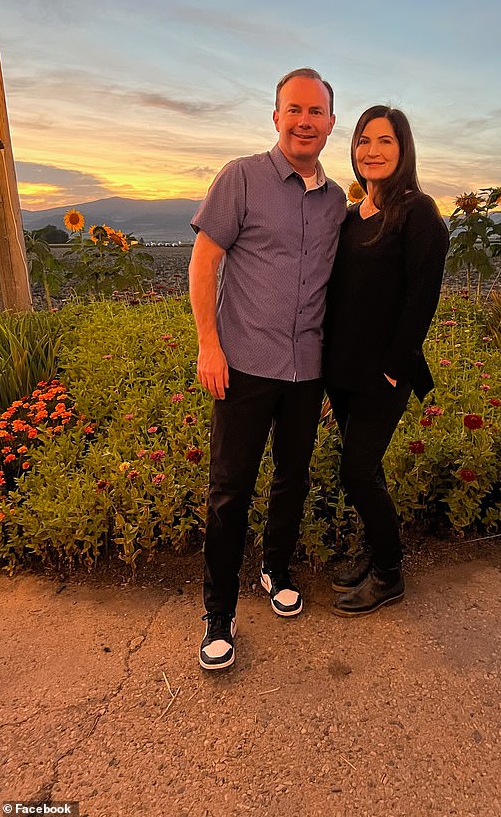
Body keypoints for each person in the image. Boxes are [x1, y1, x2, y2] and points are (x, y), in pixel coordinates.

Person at [189, 68, 346, 670]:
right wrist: (209, 344)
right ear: (276, 116)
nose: (305, 121)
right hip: (245, 364)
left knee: (292, 476)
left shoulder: (337, 203)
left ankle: (275, 569)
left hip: (306, 368)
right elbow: (205, 260)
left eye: (316, 112)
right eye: (294, 110)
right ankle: (218, 618)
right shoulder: (242, 178)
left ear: (331, 123)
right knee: (229, 491)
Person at [324, 105, 449, 616]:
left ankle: (390, 575)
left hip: (383, 371)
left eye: (385, 142)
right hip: (343, 369)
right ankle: (377, 554)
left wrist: (396, 363)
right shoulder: (352, 217)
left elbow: (423, 295)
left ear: (404, 150)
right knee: (363, 470)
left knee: (357, 471)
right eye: (363, 141)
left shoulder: (418, 211)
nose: (371, 151)